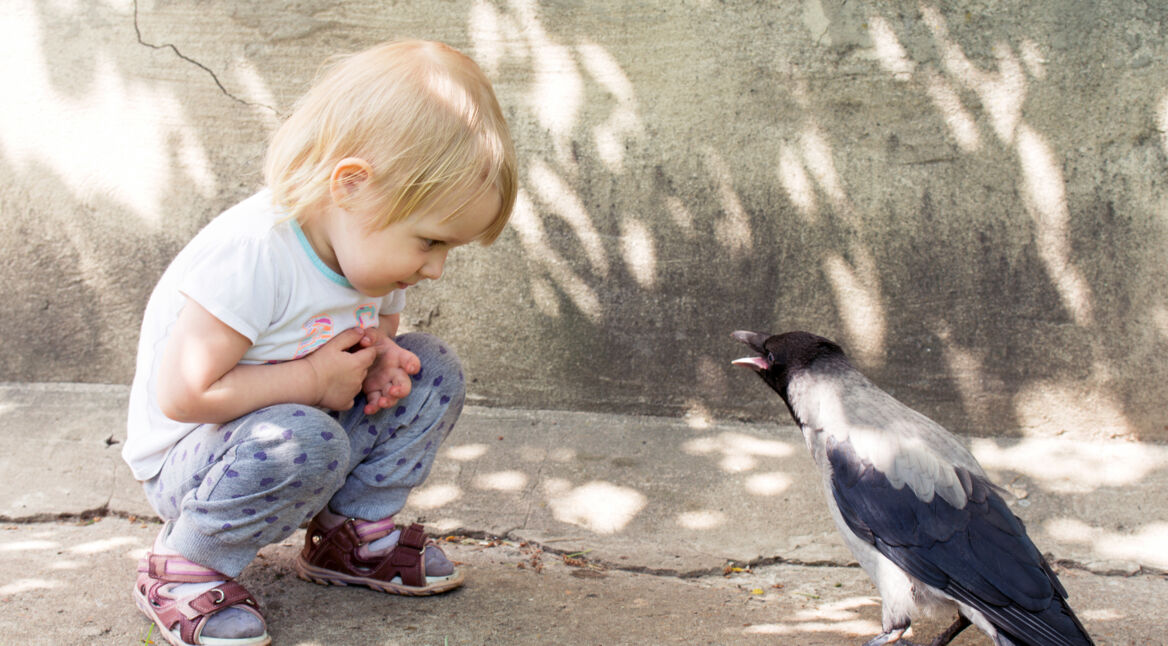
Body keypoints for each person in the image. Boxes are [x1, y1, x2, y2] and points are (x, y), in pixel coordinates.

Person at [122, 39, 516, 646]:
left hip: (308, 433)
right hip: (202, 463)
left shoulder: (372, 256)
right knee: (307, 436)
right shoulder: (254, 253)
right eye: (431, 242)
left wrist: (380, 358)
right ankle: (185, 563)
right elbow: (185, 394)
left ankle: (348, 536)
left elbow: (372, 334)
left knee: (434, 370)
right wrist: (311, 381)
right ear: (352, 186)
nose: (436, 269)